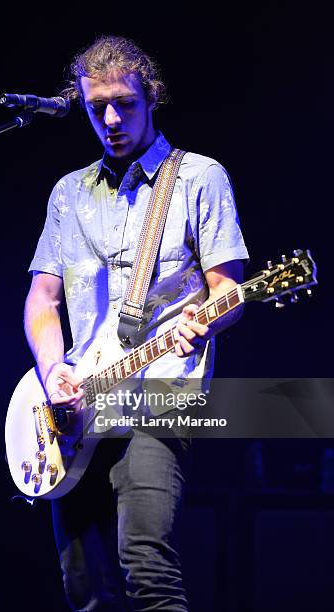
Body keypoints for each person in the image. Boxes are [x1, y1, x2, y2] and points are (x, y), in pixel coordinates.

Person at [24, 35, 249, 611]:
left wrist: (206, 321)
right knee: (83, 584)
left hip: (160, 394)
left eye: (124, 102)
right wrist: (54, 375)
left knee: (147, 564)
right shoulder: (68, 194)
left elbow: (230, 292)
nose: (110, 118)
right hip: (76, 405)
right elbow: (42, 300)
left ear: (151, 97)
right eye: (96, 106)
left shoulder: (200, 178)